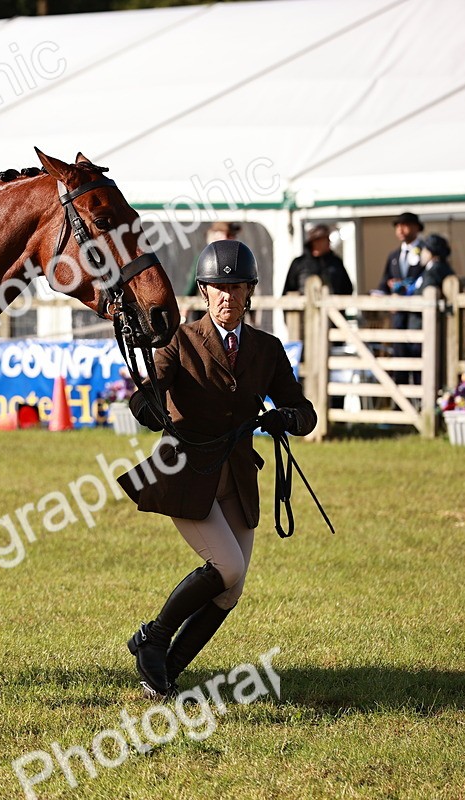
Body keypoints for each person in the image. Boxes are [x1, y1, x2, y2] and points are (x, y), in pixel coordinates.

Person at [116, 240, 317, 699]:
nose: (227, 296)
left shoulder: (266, 349)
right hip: (186, 471)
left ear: (249, 292)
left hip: (237, 477)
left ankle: (168, 668)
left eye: (236, 287)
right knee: (225, 566)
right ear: (204, 292)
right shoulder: (178, 341)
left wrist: (287, 418)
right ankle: (153, 635)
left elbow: (305, 411)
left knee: (232, 587)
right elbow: (149, 390)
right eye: (217, 288)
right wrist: (148, 406)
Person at [375, 212, 427, 381]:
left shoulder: (426, 252)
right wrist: (382, 295)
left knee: (420, 361)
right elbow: (383, 283)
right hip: (398, 318)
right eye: (397, 226)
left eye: (404, 225)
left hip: (419, 317)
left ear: (416, 227)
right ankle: (400, 406)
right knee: (400, 362)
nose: (400, 230)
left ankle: (421, 404)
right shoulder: (394, 256)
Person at [283, 224, 353, 295]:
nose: (328, 243)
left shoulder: (336, 263)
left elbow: (347, 288)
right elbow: (288, 290)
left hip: (332, 305)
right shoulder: (299, 263)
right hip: (304, 304)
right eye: (324, 240)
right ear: (314, 242)